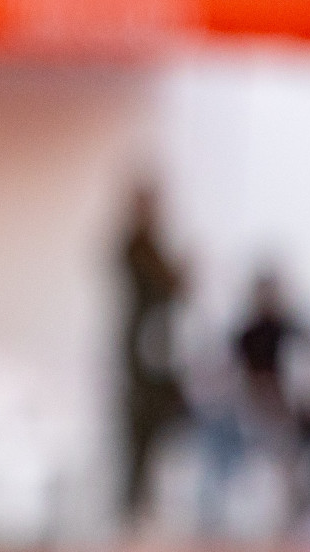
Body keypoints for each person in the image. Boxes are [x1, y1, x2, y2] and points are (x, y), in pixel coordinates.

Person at [117, 185, 187, 522]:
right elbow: (166, 283)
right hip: (143, 354)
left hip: (156, 350)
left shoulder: (151, 245)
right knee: (139, 428)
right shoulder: (135, 246)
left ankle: (146, 499)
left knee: (157, 427)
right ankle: (135, 503)